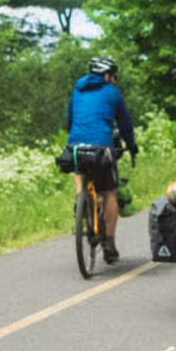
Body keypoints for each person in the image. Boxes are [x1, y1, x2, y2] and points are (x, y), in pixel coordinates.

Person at [64, 56, 138, 263]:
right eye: (113, 76)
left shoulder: (77, 91)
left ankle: (82, 200)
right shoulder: (113, 93)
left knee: (79, 171)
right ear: (106, 76)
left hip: (75, 147)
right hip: (101, 148)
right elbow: (125, 125)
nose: (114, 80)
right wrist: (131, 147)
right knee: (109, 192)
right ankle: (109, 242)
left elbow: (68, 121)